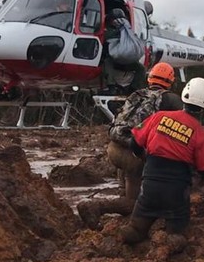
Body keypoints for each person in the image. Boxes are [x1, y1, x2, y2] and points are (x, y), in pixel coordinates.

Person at [76, 62, 182, 230]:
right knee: (135, 204)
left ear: (149, 78)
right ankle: (97, 206)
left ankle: (121, 195)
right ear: (170, 81)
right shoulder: (171, 100)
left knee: (127, 184)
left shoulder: (137, 94)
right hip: (134, 154)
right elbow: (182, 131)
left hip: (114, 148)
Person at [120, 77, 204, 258]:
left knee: (135, 228)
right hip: (177, 192)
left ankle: (122, 238)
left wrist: (144, 158)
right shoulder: (200, 134)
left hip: (149, 185)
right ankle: (165, 249)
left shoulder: (159, 117)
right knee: (176, 233)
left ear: (184, 96)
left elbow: (135, 142)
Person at [102, 8, 147, 95]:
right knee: (107, 62)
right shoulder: (112, 31)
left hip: (124, 62)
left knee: (141, 68)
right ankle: (111, 87)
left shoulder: (126, 31)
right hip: (116, 61)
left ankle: (133, 89)